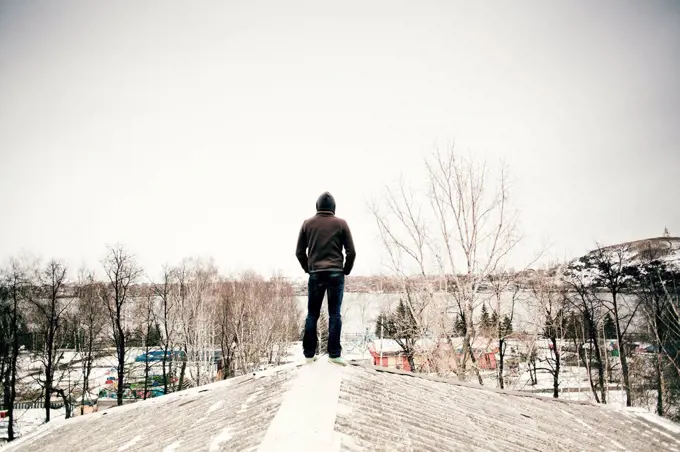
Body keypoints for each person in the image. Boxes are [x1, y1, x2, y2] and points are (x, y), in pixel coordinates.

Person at [295, 191, 356, 366]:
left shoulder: (307, 224)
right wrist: (346, 270)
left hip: (316, 274)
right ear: (333, 208)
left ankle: (308, 354)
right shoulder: (341, 224)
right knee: (334, 314)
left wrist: (309, 268)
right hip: (336, 273)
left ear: (317, 206)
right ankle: (334, 355)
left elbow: (299, 252)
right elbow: (351, 252)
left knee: (312, 315)